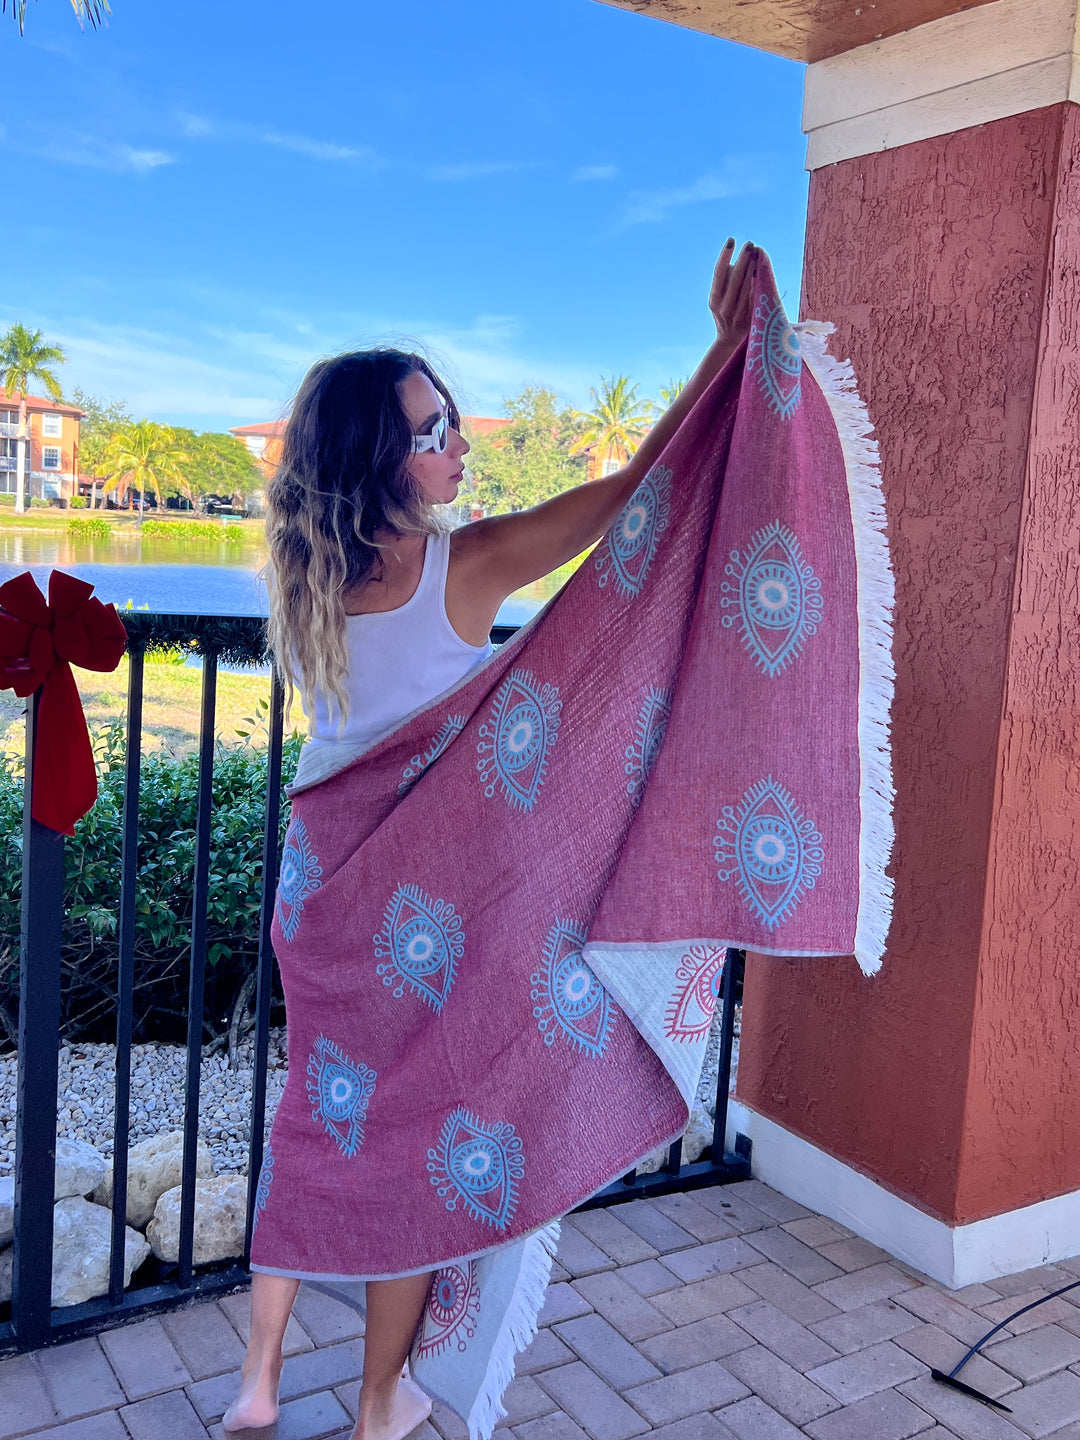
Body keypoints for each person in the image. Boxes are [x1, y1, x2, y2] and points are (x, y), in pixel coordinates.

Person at [224, 239, 758, 1440]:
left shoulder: (303, 580)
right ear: (383, 457)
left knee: (316, 1113)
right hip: (417, 920)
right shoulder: (462, 566)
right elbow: (633, 497)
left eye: (453, 419)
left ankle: (258, 1379)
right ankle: (379, 1404)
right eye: (433, 430)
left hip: (317, 892)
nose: (458, 442)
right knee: (414, 1148)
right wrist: (724, 357)